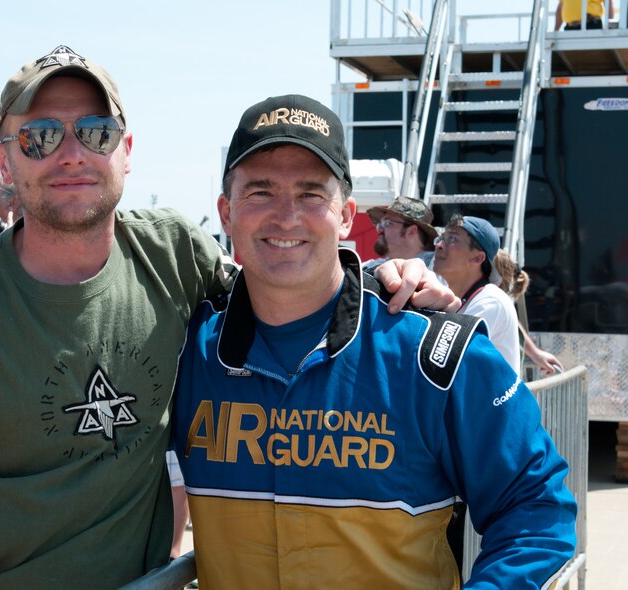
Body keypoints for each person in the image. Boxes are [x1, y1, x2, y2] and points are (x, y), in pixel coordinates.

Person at [0, 47, 456, 589]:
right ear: (5, 160)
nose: (72, 154)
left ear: (126, 152)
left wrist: (383, 278)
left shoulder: (173, 254)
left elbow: (286, 287)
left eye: (97, 133)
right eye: (40, 136)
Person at [171, 94, 577, 589]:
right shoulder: (187, 351)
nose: (287, 216)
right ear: (226, 214)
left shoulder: (437, 356)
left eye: (311, 194)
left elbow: (535, 506)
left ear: (346, 216)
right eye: (260, 192)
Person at [433, 215, 522, 373]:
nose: (439, 245)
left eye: (452, 238)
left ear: (477, 258)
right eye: (441, 237)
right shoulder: (462, 300)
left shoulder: (491, 300)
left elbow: (443, 360)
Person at [363, 195, 437, 273]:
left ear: (411, 231)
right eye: (379, 224)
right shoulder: (369, 267)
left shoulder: (438, 266)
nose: (379, 229)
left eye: (387, 223)